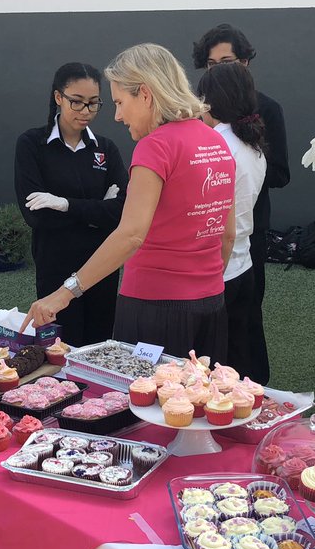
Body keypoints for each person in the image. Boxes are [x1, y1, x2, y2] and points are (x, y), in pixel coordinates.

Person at [22, 43, 236, 362]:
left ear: (145, 94)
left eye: (121, 102)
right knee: (197, 392)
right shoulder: (216, 141)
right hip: (211, 303)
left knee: (143, 395)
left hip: (154, 307)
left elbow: (131, 234)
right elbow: (228, 234)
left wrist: (64, 293)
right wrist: (204, 285)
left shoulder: (155, 146)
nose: (118, 116)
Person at [191, 24, 289, 383]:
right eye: (211, 64)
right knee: (240, 337)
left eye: (227, 62)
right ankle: (253, 391)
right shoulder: (250, 145)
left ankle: (246, 392)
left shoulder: (221, 146)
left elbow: (224, 228)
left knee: (226, 346)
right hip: (238, 252)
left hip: (228, 255)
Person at [15, 62, 127, 346]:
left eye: (93, 103)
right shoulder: (32, 144)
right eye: (76, 102)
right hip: (55, 265)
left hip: (101, 265)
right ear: (58, 97)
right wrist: (97, 210)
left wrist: (64, 204)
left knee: (100, 346)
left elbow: (122, 212)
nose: (86, 111)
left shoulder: (105, 149)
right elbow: (37, 217)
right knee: (60, 348)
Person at [196, 61, 267, 380]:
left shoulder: (216, 145)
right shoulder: (253, 146)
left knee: (212, 367)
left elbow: (217, 223)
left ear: (209, 101)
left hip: (217, 267)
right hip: (242, 263)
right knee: (238, 359)